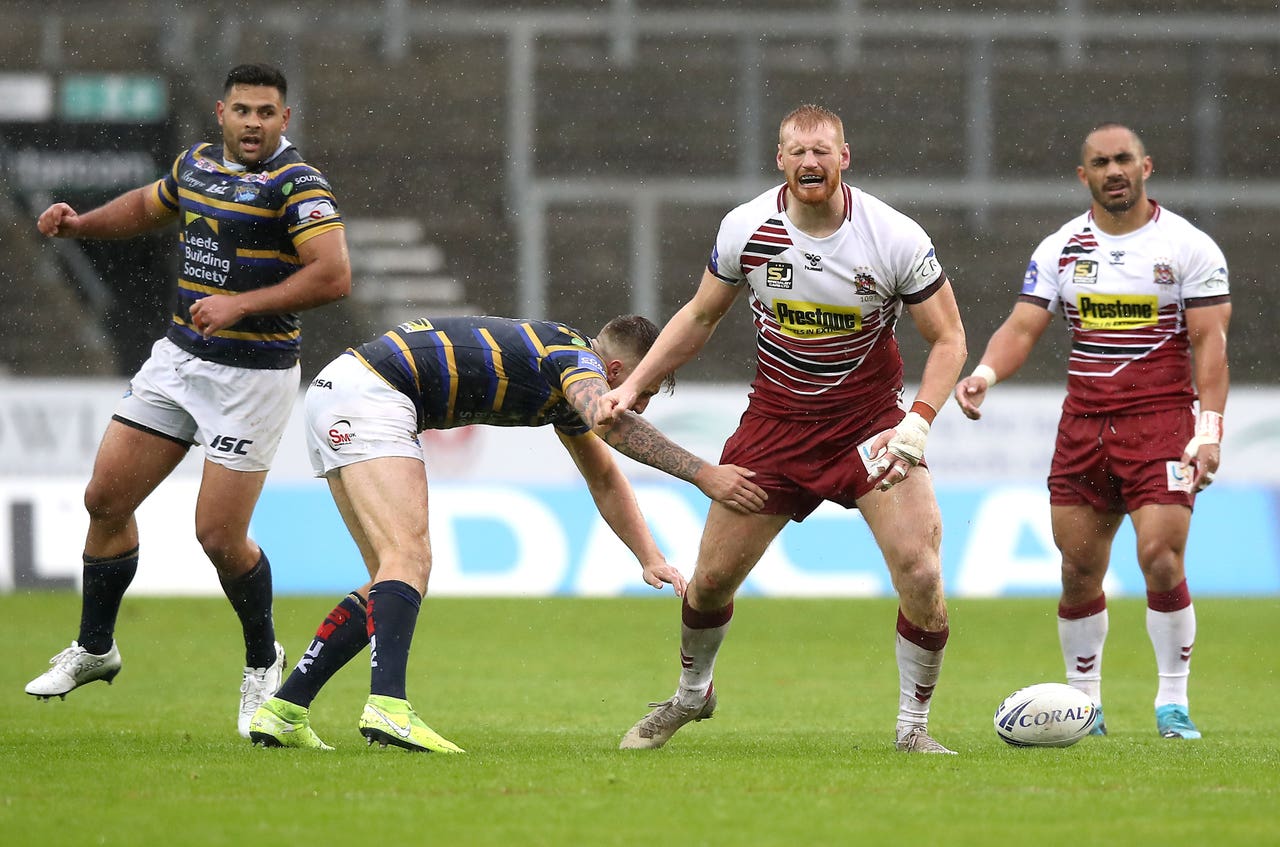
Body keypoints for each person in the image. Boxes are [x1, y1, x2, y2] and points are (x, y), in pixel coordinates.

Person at [597, 104, 968, 754]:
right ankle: (691, 694)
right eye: (798, 151)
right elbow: (699, 316)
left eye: (822, 151)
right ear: (781, 161)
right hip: (776, 426)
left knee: (921, 572)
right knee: (709, 581)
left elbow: (950, 339)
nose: (810, 162)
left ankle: (913, 728)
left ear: (843, 158)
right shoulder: (748, 227)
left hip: (870, 426)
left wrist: (919, 422)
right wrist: (634, 385)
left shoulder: (893, 237)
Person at [247, 313, 767, 752]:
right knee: (410, 559)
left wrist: (648, 555)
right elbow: (611, 425)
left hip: (344, 389)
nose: (642, 402)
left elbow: (604, 476)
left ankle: (285, 709)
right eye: (644, 389)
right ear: (614, 370)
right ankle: (388, 707)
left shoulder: (569, 381)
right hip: (373, 393)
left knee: (388, 576)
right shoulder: (575, 361)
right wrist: (704, 473)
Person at [24, 62, 352, 739]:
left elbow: (334, 274)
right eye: (243, 110)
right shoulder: (197, 163)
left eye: (267, 112)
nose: (254, 122)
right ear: (220, 113)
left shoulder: (299, 184)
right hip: (178, 360)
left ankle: (265, 661)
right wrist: (80, 224)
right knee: (105, 499)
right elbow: (148, 206)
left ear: (284, 120)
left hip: (254, 375)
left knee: (219, 537)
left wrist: (243, 304)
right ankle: (95, 646)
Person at [954, 122, 1230, 740]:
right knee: (1078, 569)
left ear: (1146, 166)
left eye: (1124, 159)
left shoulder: (1189, 247)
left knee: (1161, 555)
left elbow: (1210, 346)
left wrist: (1208, 431)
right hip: (1084, 426)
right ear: (1084, 175)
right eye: (1100, 162)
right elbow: (1023, 326)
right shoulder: (1059, 249)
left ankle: (1172, 703)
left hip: (1161, 423)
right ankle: (1085, 708)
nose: (1113, 170)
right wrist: (986, 374)